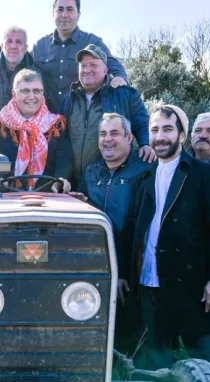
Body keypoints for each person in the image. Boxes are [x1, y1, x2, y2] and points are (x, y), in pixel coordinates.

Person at [120, 105, 210, 372]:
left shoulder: (204, 174)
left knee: (206, 359)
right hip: (149, 283)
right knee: (155, 359)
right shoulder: (143, 177)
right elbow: (131, 228)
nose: (160, 136)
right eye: (154, 130)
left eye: (167, 129)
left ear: (182, 136)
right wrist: (124, 273)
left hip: (190, 284)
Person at [71, 113, 150, 351]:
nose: (108, 139)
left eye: (115, 133)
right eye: (103, 134)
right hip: (93, 263)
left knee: (126, 331)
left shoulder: (144, 170)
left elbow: (135, 225)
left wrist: (122, 272)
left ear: (129, 137)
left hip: (130, 265)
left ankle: (123, 379)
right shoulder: (91, 171)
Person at [61, 44, 153, 185]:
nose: (87, 70)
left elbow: (141, 122)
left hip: (108, 183)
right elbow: (61, 141)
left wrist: (146, 143)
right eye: (83, 65)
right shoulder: (69, 99)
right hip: (72, 183)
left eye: (93, 64)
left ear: (105, 69)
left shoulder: (124, 94)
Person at [31, 0, 128, 111]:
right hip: (46, 120)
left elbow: (113, 65)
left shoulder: (92, 41)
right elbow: (24, 72)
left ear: (78, 14)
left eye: (70, 9)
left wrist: (120, 78)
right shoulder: (39, 46)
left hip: (79, 120)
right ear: (53, 14)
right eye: (60, 9)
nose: (64, 14)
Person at [0, 69, 71, 189]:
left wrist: (59, 181)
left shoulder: (57, 125)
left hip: (47, 196)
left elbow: (63, 161)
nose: (31, 97)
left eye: (36, 91)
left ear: (42, 94)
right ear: (14, 95)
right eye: (25, 91)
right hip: (7, 196)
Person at [0, 26, 40, 112]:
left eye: (18, 42)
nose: (13, 46)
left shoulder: (37, 74)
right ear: (2, 46)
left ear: (25, 48)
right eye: (9, 41)